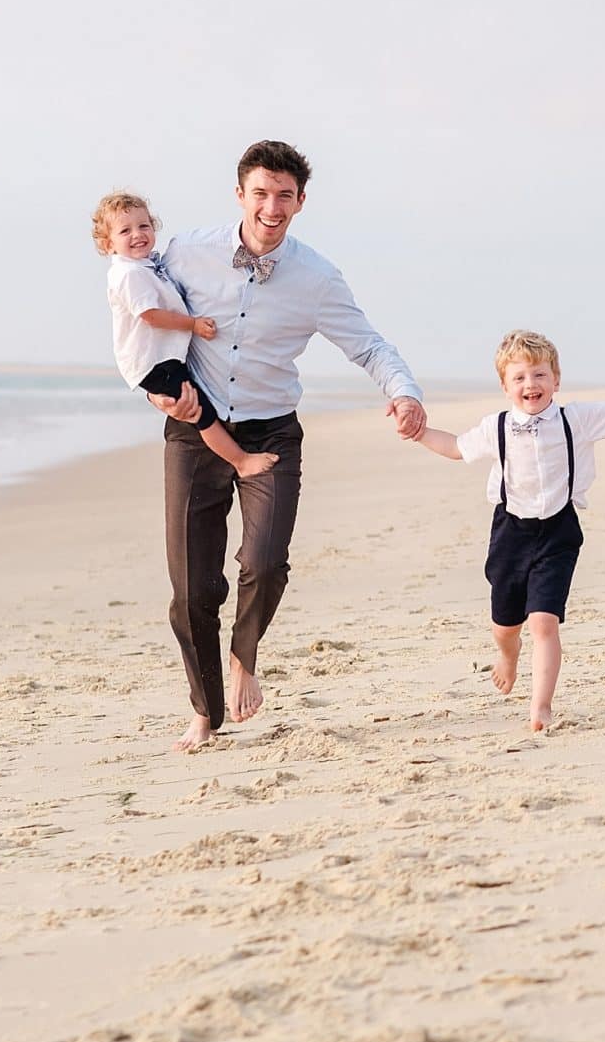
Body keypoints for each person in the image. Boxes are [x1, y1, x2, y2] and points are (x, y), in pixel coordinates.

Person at [147, 140, 427, 751]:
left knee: (264, 561)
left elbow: (370, 346)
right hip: (195, 430)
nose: (271, 206)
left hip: (273, 430)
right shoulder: (185, 253)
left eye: (284, 195)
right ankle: (205, 711)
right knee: (192, 587)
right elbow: (141, 323)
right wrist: (158, 393)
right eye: (260, 192)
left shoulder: (317, 277)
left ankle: (244, 655)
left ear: (301, 201)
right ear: (240, 194)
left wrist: (404, 394)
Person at [411, 330, 605, 731]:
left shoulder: (577, 419)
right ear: (505, 387)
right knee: (505, 625)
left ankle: (541, 705)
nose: (530, 385)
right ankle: (508, 653)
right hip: (510, 532)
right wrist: (419, 433)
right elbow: (455, 447)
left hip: (559, 531)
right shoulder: (496, 427)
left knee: (544, 622)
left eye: (539, 375)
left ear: (556, 380)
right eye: (519, 378)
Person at [93, 191, 277, 479]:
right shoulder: (129, 274)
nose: (138, 234)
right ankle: (241, 461)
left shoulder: (146, 266)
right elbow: (150, 315)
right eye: (125, 230)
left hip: (161, 358)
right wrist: (193, 325)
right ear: (108, 244)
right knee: (199, 412)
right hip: (153, 363)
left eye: (144, 226)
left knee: (197, 406)